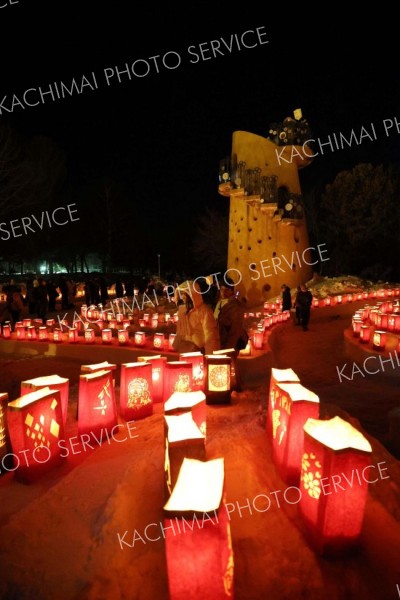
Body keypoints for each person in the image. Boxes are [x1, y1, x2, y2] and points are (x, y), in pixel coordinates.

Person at [215, 277, 247, 391]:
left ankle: (235, 387)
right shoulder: (220, 303)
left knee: (231, 363)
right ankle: (232, 385)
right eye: (221, 289)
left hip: (231, 340)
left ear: (231, 290)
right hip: (222, 339)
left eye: (225, 289)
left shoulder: (235, 306)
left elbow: (236, 329)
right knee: (229, 363)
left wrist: (230, 345)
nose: (222, 292)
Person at [172, 280, 220, 354]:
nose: (183, 296)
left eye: (185, 293)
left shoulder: (204, 311)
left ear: (192, 294)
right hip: (183, 349)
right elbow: (180, 332)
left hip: (198, 350)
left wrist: (210, 356)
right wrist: (176, 346)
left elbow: (210, 335)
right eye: (181, 293)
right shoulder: (182, 311)